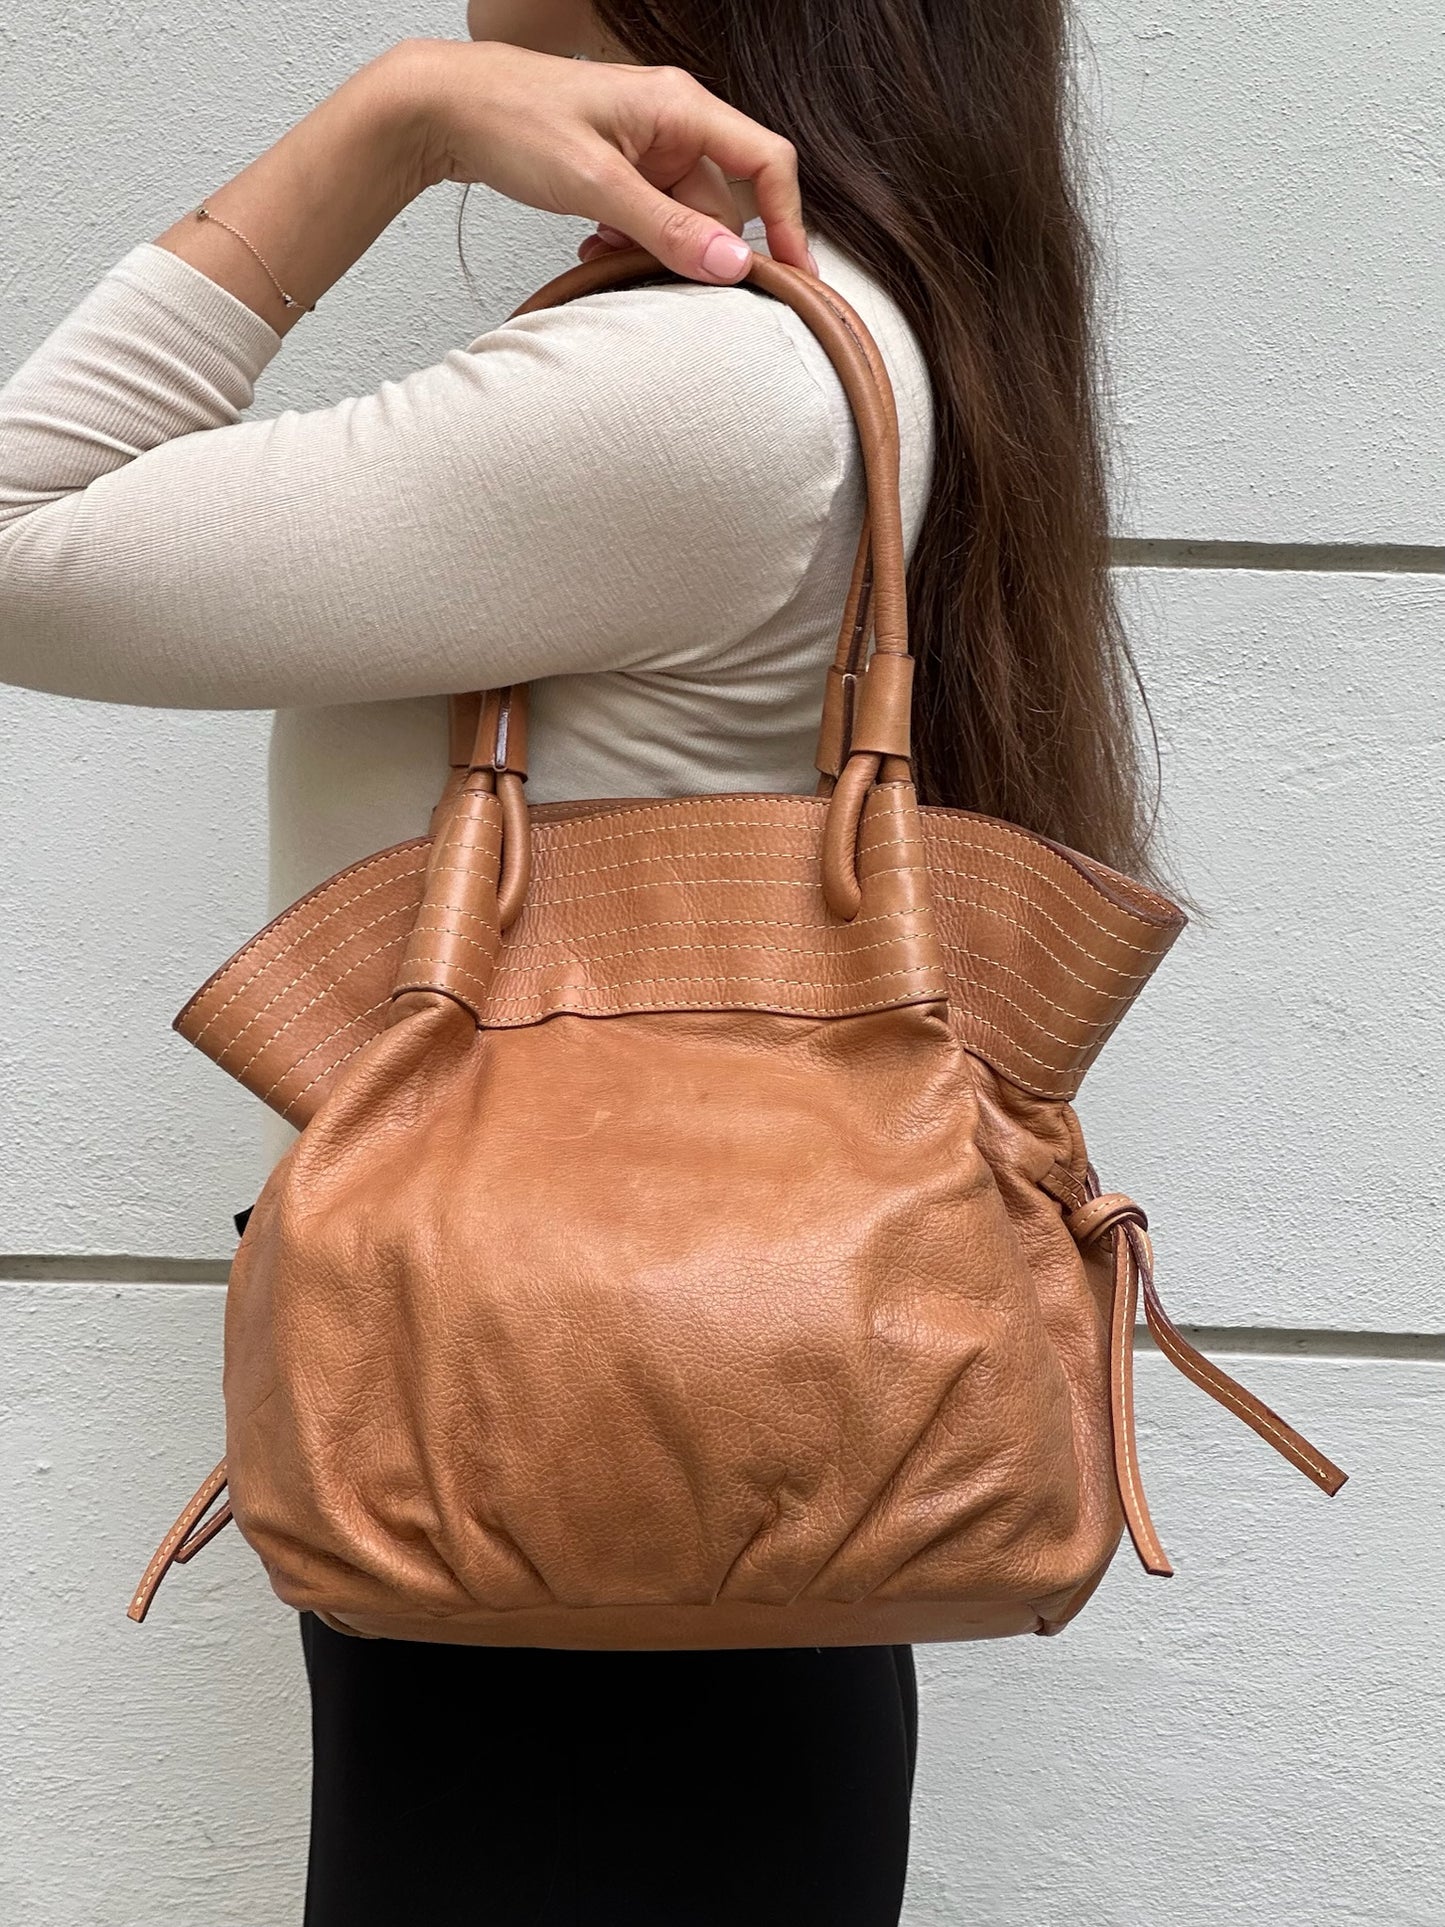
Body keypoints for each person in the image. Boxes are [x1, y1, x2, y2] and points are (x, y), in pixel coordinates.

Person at [0, 3, 1161, 1921]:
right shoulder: (815, 340)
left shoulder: (704, 389)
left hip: (571, 1479)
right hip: (684, 1461)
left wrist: (387, 127)